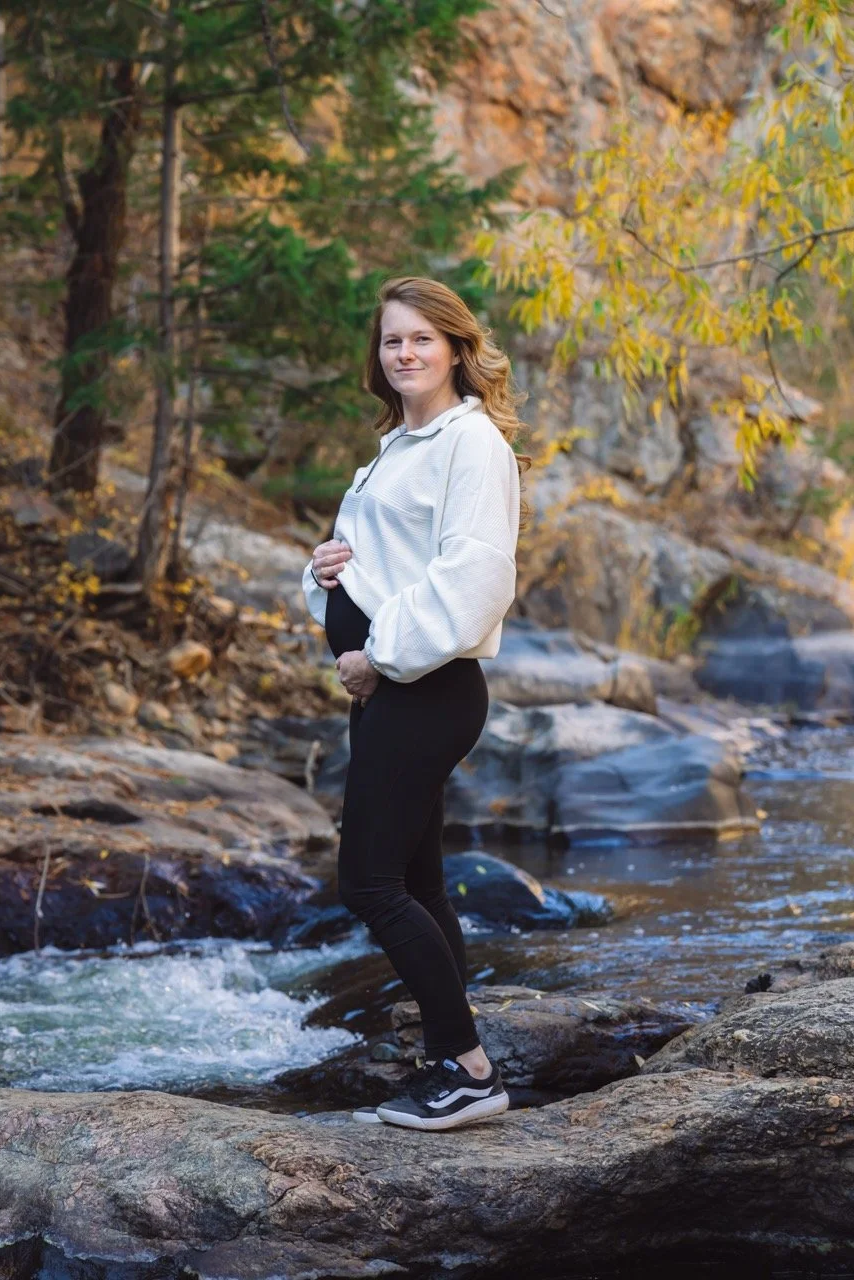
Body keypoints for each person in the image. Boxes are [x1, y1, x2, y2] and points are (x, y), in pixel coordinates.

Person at [301, 275, 529, 1131]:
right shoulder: (394, 445)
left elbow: (473, 580)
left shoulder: (472, 445)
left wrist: (377, 658)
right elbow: (361, 564)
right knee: (422, 883)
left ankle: (470, 1072)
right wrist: (321, 573)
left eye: (421, 340)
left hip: (425, 688)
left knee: (368, 882)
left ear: (456, 348)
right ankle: (450, 1053)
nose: (404, 353)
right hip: (392, 687)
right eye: (392, 340)